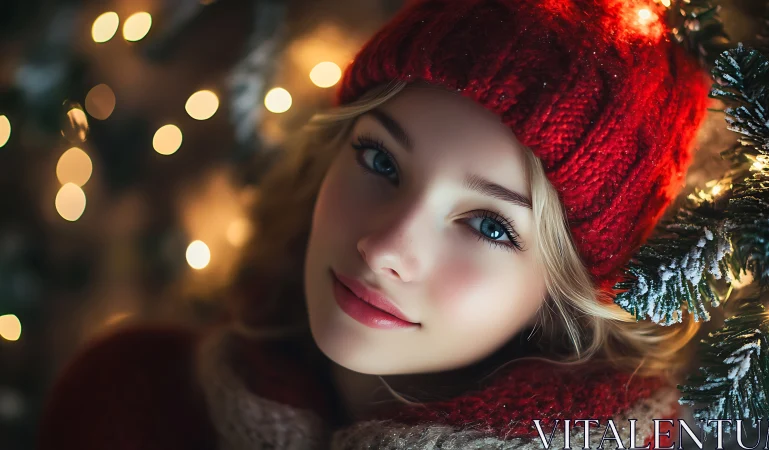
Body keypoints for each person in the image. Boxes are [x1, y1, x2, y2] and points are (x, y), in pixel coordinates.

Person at [38, 0, 713, 448]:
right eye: (379, 159)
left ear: (556, 301)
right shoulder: (127, 398)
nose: (386, 246)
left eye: (489, 226)